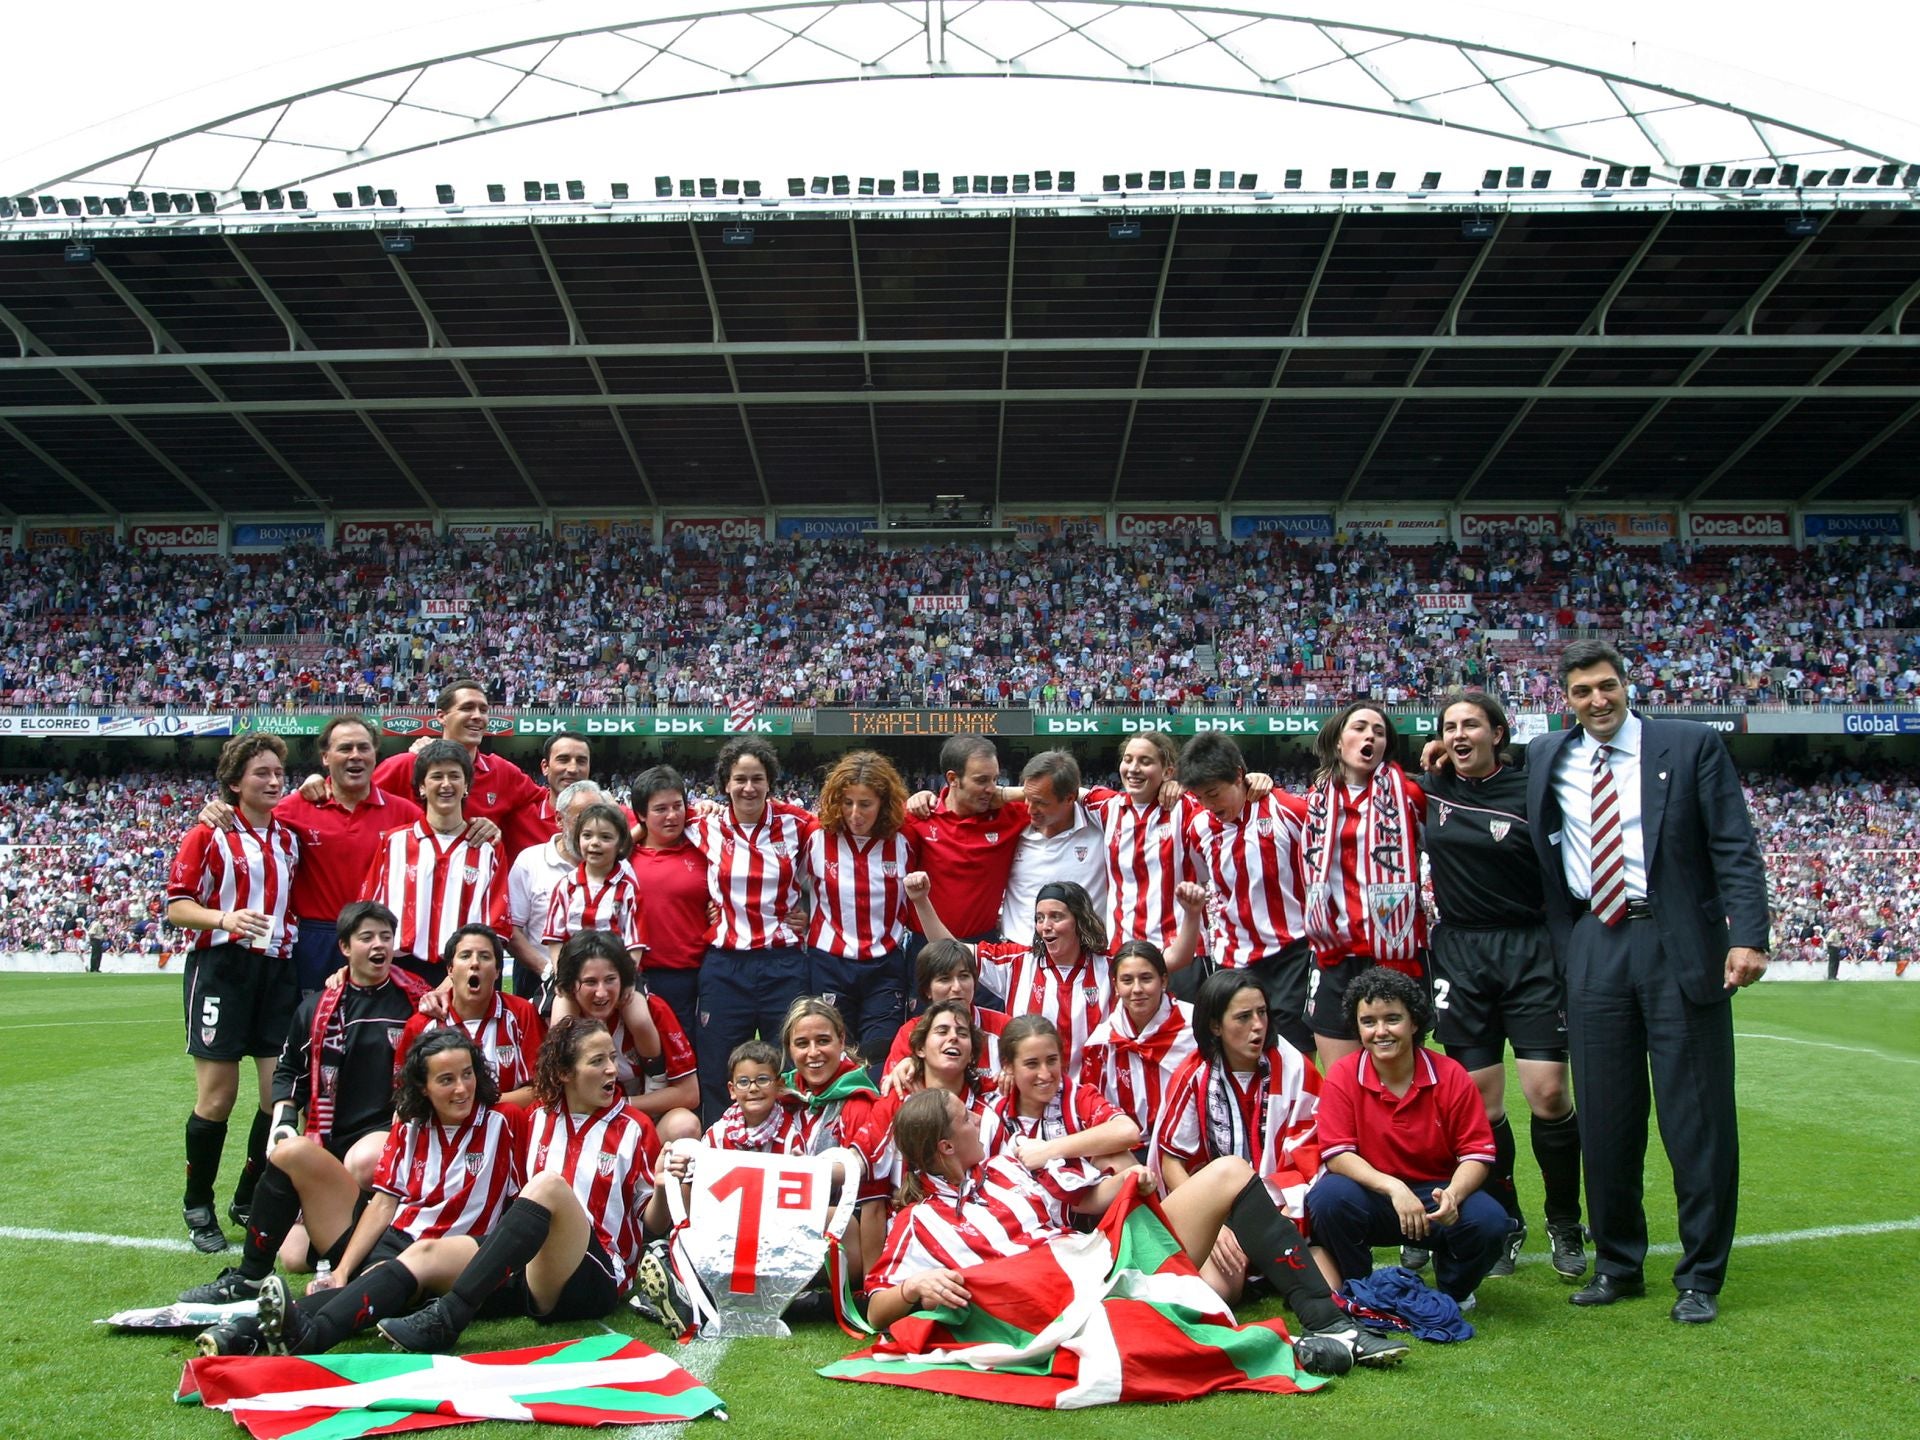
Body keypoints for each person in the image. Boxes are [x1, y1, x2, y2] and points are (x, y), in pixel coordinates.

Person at [1526, 639, 1770, 1324]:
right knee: (1605, 1120)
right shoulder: (1548, 755)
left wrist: (1748, 934)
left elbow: (1734, 844)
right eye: (1582, 692)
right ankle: (1618, 1264)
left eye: (1606, 686)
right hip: (1594, 942)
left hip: (1677, 943)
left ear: (1625, 685)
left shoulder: (1688, 746)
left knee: (1697, 1119)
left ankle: (1700, 1276)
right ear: (1565, 700)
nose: (1597, 701)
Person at [865, 1088, 1403, 1372]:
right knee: (1212, 1291)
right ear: (945, 1148)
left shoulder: (1009, 1166)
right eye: (965, 1119)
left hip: (1105, 1262)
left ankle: (1331, 1325)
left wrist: (1133, 1181)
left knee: (1230, 1173)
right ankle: (1288, 1347)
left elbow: (1093, 1196)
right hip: (1067, 1306)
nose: (978, 1121)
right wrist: (912, 1289)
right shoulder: (917, 1223)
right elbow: (876, 1309)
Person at [192, 1029, 523, 1356]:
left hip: (446, 1258)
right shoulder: (409, 1126)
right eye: (446, 1080)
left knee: (380, 1276)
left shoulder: (504, 1123)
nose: (462, 1088)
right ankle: (251, 1277)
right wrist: (341, 1271)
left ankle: (247, 1332)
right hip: (393, 1241)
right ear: (424, 1087)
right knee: (291, 1152)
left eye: (468, 1074)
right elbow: (382, 1205)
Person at [177, 901, 426, 1303]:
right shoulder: (317, 1008)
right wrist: (283, 1118)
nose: (379, 945)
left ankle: (374, 1248)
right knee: (294, 1256)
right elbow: (288, 1071)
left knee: (364, 1159)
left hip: (391, 1142)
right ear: (345, 947)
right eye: (367, 938)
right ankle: (276, 1274)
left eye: (385, 936)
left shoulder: (416, 1001)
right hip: (333, 1142)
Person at [377, 1016, 670, 1352]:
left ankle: (450, 1315)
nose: (612, 1070)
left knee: (549, 1187)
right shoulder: (534, 1119)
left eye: (612, 1057)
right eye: (598, 1060)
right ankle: (314, 1324)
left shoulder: (636, 1127)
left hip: (601, 1274)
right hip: (533, 1272)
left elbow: (653, 1224)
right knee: (425, 1254)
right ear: (564, 1072)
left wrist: (661, 1188)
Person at [1417, 693, 1584, 1280]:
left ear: (1497, 732)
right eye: (1449, 726)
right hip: (1461, 954)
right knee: (1482, 1107)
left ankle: (1566, 1219)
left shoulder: (1532, 792)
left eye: (1470, 724)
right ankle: (1507, 1219)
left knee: (1547, 1095)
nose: (1459, 733)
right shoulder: (1427, 790)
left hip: (1531, 950)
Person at [166, 732, 302, 1252]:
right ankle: (196, 1201)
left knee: (277, 1099)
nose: (272, 781)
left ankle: (246, 1197)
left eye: (277, 773)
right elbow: (177, 906)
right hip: (222, 969)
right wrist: (225, 918)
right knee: (219, 1096)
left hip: (276, 972)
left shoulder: (288, 837)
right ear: (234, 783)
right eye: (260, 773)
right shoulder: (208, 834)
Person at [1305, 967, 1507, 1306]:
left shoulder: (1450, 1074)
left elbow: (1477, 1153)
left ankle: (1453, 1291)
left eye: (1392, 1019)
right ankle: (1361, 1287)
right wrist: (1393, 1188)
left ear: (1414, 1023)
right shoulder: (1342, 1073)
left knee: (1490, 1221)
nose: (1380, 1031)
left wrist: (1453, 1195)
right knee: (1328, 1198)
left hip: (1436, 1194)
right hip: (1375, 1195)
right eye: (1368, 1021)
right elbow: (1338, 1155)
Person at [200, 715, 425, 996]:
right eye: (345, 748)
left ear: (375, 755)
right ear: (325, 757)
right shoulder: (291, 809)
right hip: (315, 941)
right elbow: (249, 814)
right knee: (312, 1031)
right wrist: (219, 807)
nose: (356, 755)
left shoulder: (407, 814)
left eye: (364, 748)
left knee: (375, 1032)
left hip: (379, 940)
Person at [1154, 970, 1324, 1292]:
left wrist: (1282, 1206)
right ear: (1216, 1026)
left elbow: (1312, 1149)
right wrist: (1211, 1226)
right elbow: (1172, 1161)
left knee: (1325, 1284)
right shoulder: (1194, 1076)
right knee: (1215, 1292)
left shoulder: (1295, 1068)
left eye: (1262, 1013)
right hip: (1221, 1215)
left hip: (1285, 1207)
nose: (1258, 1025)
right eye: (1243, 1017)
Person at [687, 737, 816, 1124]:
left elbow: (835, 863)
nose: (748, 787)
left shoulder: (798, 825)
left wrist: (809, 911)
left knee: (790, 1064)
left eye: (757, 778)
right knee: (717, 1065)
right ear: (724, 782)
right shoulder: (702, 824)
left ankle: (790, 1144)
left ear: (770, 782)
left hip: (784, 964)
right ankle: (721, 1147)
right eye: (739, 778)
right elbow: (636, 823)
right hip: (726, 966)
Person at [1301, 703, 1427, 1073]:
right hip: (1332, 953)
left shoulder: (1409, 796)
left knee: (1396, 1077)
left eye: (1379, 731)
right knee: (1342, 1080)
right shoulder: (1313, 802)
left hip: (1392, 952)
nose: (1370, 735)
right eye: (1360, 727)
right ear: (1339, 742)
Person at [1177, 733, 1314, 1053]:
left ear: (1239, 775)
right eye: (1200, 798)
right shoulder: (1197, 828)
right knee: (1239, 1056)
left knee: (1293, 1055)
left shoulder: (1290, 811)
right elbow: (1204, 878)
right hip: (1234, 958)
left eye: (1214, 793)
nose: (1209, 805)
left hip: (1291, 953)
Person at [359, 740, 510, 985]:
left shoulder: (487, 848)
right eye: (436, 776)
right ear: (421, 787)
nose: (446, 784)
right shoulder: (394, 842)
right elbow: (368, 913)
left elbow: (496, 925)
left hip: (463, 975)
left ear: (466, 786)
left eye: (454, 776)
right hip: (398, 972)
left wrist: (450, 982)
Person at [803, 751, 915, 1067]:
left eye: (865, 804)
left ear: (883, 803)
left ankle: (873, 1117)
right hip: (829, 964)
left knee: (880, 1055)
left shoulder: (905, 840)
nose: (854, 813)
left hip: (885, 966)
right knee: (834, 1055)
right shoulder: (815, 837)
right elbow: (782, 882)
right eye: (847, 802)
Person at [366, 678, 548, 858]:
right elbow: (358, 804)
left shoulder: (502, 771)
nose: (477, 716)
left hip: (474, 882)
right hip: (412, 879)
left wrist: (500, 829)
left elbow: (547, 803)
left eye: (483, 710)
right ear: (441, 716)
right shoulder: (405, 765)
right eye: (467, 708)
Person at [548, 930, 699, 1142]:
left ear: (625, 981)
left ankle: (649, 1172)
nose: (601, 993)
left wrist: (621, 1105)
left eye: (610, 980)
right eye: (590, 982)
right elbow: (543, 1092)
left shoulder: (652, 1010)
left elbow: (689, 1093)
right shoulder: (552, 1016)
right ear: (572, 984)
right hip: (579, 1125)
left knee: (684, 1125)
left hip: (639, 1121)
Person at [394, 924, 546, 1107]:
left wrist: (476, 1105)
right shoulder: (421, 1024)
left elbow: (541, 1087)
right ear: (450, 969)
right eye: (465, 956)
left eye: (485, 956)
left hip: (507, 1127)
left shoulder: (521, 1014)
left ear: (497, 971)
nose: (475, 963)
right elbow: (406, 1092)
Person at [989, 1014, 1141, 1175]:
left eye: (1051, 1060)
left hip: (1082, 1198)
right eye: (1032, 1064)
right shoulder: (993, 1107)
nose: (1045, 1074)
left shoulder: (1077, 1097)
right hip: (1012, 1197)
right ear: (1008, 1066)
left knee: (1120, 1162)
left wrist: (1048, 1151)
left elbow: (1128, 1131)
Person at [1080, 939, 1197, 1140]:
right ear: (1115, 985)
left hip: (1187, 1148)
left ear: (1164, 981)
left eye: (1146, 978)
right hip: (1128, 1150)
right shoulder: (1101, 1042)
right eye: (1127, 980)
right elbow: (1093, 1107)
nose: (1137, 989)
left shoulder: (1195, 1027)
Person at [627, 766, 711, 1044]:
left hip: (697, 977)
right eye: (660, 809)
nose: (672, 816)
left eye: (678, 806)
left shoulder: (705, 849)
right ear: (641, 814)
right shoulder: (622, 859)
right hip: (643, 977)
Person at [504, 778, 606, 1002]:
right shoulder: (530, 861)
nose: (590, 826)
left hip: (602, 985)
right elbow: (511, 930)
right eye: (581, 818)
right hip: (539, 979)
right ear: (559, 819)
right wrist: (549, 971)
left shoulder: (616, 864)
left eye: (598, 817)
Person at [999, 751, 1108, 944]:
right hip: (1019, 953)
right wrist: (926, 797)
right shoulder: (1011, 825)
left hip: (1085, 957)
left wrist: (1168, 786)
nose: (1030, 809)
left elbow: (1141, 805)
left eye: (1040, 802)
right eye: (1027, 798)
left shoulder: (1104, 828)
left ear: (1069, 798)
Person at [880, 939, 1011, 1084]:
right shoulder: (910, 1034)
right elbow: (891, 1093)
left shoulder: (1004, 1027)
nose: (956, 987)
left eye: (964, 976)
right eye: (945, 979)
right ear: (927, 990)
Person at [543, 800, 646, 971]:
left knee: (639, 1000)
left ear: (620, 844)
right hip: (573, 974)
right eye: (587, 835)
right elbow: (555, 938)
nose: (594, 843)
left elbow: (634, 945)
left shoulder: (628, 889)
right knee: (558, 1000)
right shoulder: (564, 886)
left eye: (605, 837)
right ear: (578, 839)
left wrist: (627, 981)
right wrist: (560, 976)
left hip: (617, 974)